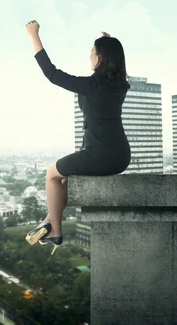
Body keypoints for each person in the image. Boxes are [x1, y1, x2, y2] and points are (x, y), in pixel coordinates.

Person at [24, 20, 131, 255]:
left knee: (51, 173)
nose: (89, 56)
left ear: (101, 58)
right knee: (63, 182)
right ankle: (46, 222)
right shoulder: (120, 84)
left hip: (98, 154)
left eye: (93, 52)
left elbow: (53, 74)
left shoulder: (92, 85)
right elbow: (114, 65)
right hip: (121, 156)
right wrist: (107, 42)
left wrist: (34, 36)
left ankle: (55, 232)